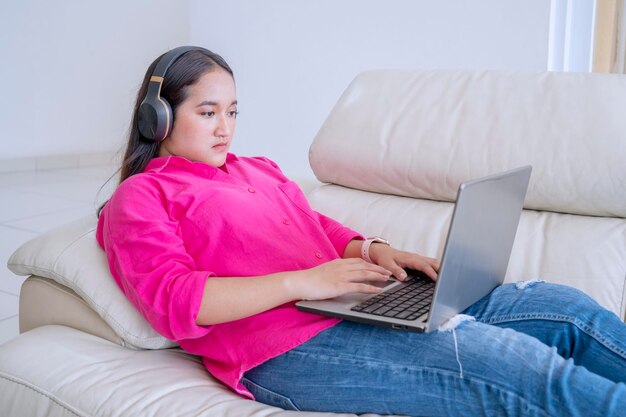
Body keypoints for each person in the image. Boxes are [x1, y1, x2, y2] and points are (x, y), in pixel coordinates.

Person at [97, 46, 626, 417]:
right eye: (207, 112)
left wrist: (375, 249)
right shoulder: (141, 197)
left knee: (564, 310)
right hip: (280, 351)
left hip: (357, 299)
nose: (225, 127)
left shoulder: (254, 168)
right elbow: (175, 303)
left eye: (232, 111)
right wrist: (305, 282)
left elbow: (315, 225)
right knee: (519, 367)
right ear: (158, 119)